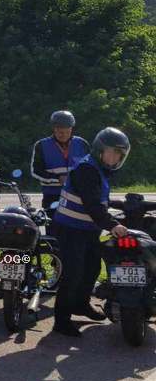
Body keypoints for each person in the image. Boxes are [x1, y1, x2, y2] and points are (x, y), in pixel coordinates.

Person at [50, 127, 130, 337]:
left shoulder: (98, 169)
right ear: (100, 150)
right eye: (112, 152)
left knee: (92, 268)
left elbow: (98, 198)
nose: (115, 158)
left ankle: (81, 304)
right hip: (70, 229)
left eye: (119, 154)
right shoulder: (87, 169)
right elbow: (93, 205)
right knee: (73, 274)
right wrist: (113, 225)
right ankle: (61, 321)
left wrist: (124, 205)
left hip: (86, 229)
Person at [31, 110, 90, 218]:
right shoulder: (41, 145)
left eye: (67, 132)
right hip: (52, 195)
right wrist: (58, 178)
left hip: (77, 195)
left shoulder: (82, 144)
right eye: (60, 132)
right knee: (53, 225)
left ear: (71, 129)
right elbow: (35, 171)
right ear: (54, 129)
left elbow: (90, 169)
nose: (64, 135)